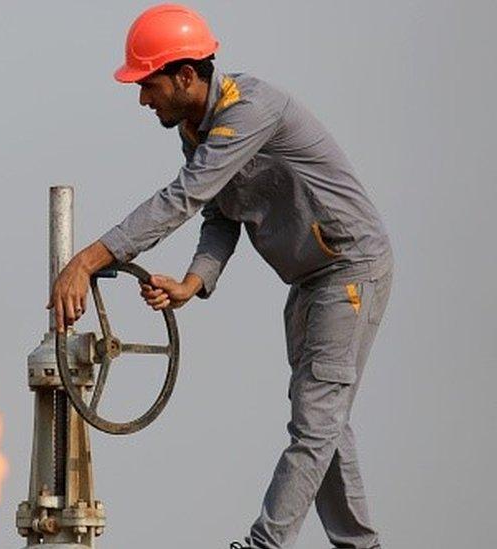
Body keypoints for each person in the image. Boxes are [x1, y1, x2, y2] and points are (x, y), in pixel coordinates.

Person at [47, 4, 393, 548]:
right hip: (308, 280)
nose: (142, 98)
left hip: (347, 271)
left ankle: (265, 545)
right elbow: (220, 211)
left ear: (186, 75)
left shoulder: (250, 110)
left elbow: (183, 198)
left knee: (315, 422)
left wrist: (87, 260)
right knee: (326, 422)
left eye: (148, 84)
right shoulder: (197, 129)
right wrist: (194, 281)